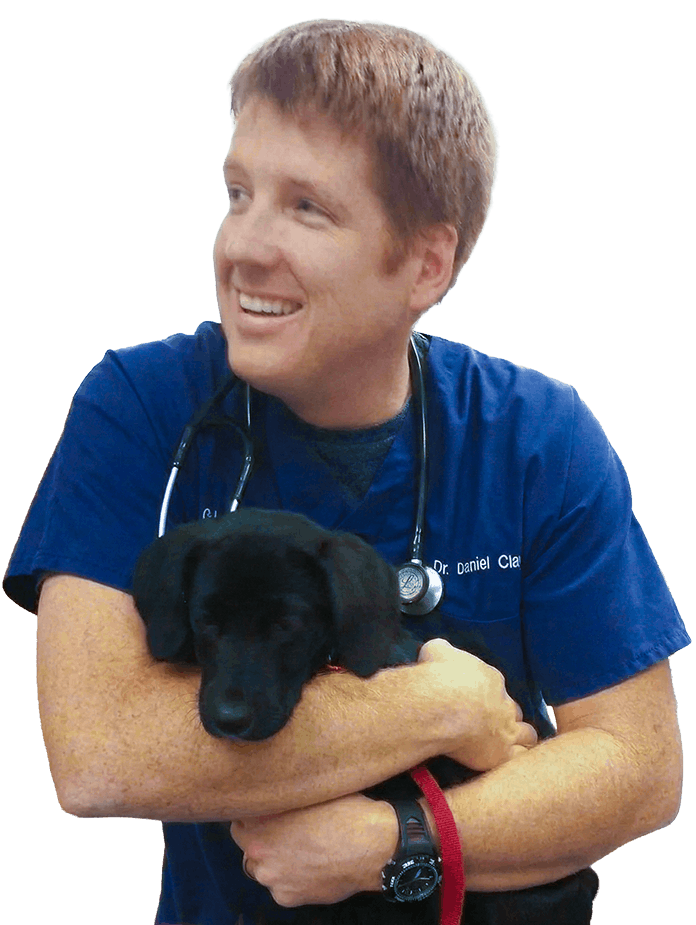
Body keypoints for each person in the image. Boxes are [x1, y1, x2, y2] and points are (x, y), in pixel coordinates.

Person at [4, 18, 687, 925]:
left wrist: (391, 842)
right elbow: (100, 751)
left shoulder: (537, 437)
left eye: (306, 207)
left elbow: (638, 772)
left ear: (425, 263)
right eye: (238, 192)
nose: (242, 245)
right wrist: (431, 708)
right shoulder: (141, 404)